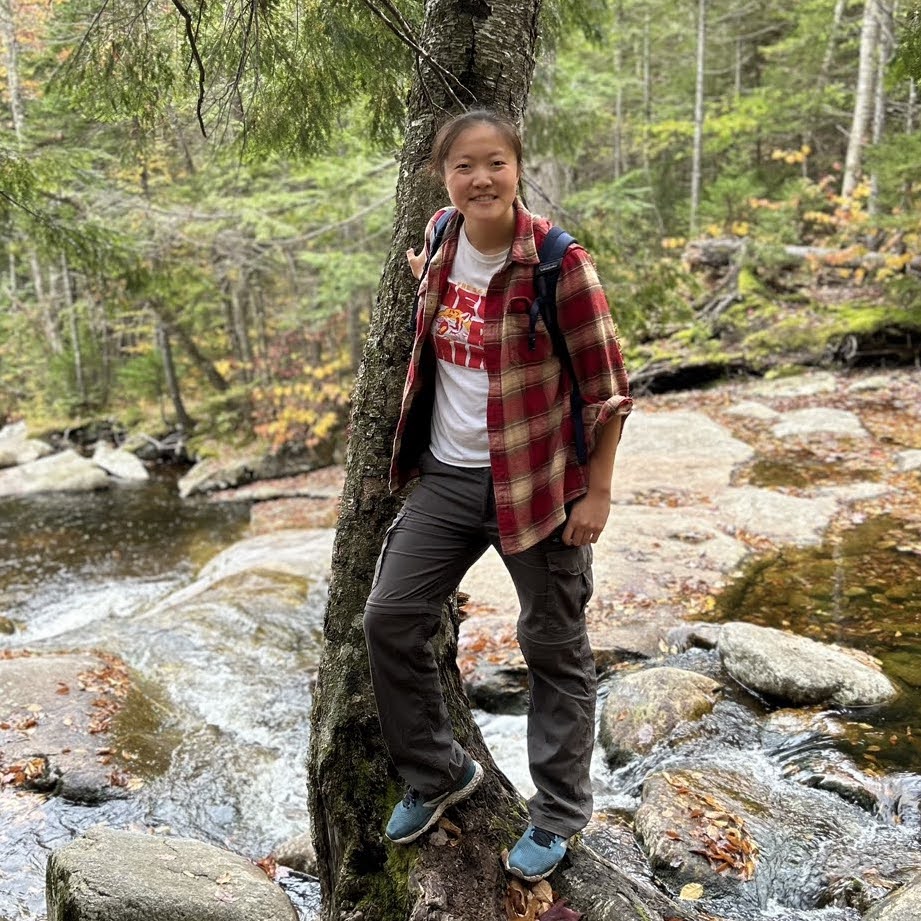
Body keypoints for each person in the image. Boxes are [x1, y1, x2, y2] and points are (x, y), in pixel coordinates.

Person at [363, 109, 632, 882]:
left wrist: (599, 494)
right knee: (391, 617)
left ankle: (556, 813)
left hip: (539, 486)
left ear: (517, 167)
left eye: (495, 164)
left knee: (552, 647)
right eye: (463, 166)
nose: (480, 179)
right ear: (441, 176)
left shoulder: (558, 263)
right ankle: (440, 771)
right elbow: (447, 318)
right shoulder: (443, 237)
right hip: (447, 477)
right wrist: (425, 275)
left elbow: (608, 393)